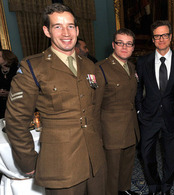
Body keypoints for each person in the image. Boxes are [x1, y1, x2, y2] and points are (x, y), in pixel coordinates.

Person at [5, 3, 106, 195]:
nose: (66, 33)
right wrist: (28, 162)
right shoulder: (33, 67)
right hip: (61, 165)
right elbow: (16, 121)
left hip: (95, 161)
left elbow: (94, 109)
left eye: (70, 26)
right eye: (57, 26)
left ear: (77, 30)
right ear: (47, 31)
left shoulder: (89, 65)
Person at [135, 20, 174, 195]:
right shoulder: (142, 62)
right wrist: (139, 110)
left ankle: (166, 186)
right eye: (157, 36)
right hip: (149, 117)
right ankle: (153, 185)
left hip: (173, 117)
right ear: (153, 39)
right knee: (146, 153)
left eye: (165, 35)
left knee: (170, 156)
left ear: (171, 37)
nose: (161, 39)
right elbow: (137, 87)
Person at [96, 28, 140, 195]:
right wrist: (98, 134)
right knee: (112, 170)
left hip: (130, 127)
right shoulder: (100, 68)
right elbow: (95, 105)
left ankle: (124, 190)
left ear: (133, 47)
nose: (124, 47)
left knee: (127, 164)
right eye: (120, 43)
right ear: (113, 45)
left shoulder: (131, 66)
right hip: (111, 131)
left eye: (128, 44)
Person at [0, 50, 18, 118]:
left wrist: (9, 93)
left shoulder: (17, 71)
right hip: (2, 106)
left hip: (16, 104)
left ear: (6, 58)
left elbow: (24, 90)